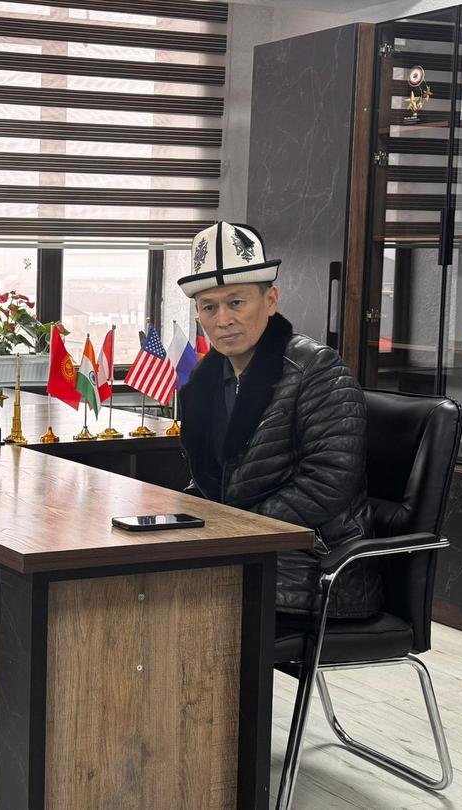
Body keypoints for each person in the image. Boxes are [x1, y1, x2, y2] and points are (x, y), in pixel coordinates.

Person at [176, 221, 381, 619]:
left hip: (314, 567)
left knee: (166, 604)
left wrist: (233, 529)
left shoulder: (319, 370)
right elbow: (210, 480)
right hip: (241, 551)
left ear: (271, 300)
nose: (223, 319)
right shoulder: (204, 380)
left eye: (236, 302)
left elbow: (328, 482)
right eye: (209, 307)